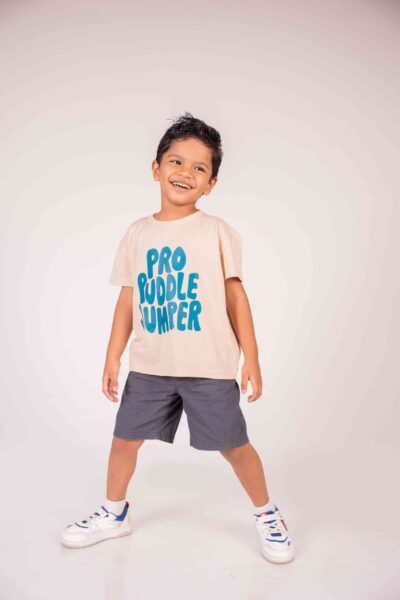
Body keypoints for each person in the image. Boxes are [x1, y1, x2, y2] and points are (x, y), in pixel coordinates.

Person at [60, 112, 294, 563]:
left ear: (211, 184)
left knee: (234, 446)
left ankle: (267, 514)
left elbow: (236, 296)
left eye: (199, 168)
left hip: (208, 366)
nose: (185, 172)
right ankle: (114, 512)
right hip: (150, 366)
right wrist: (113, 357)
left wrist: (252, 357)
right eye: (176, 161)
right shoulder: (137, 233)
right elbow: (127, 299)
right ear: (156, 168)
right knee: (124, 440)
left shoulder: (218, 232)